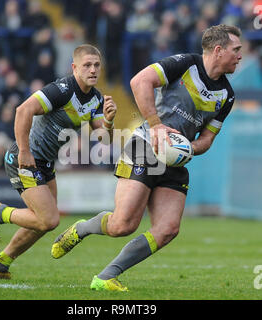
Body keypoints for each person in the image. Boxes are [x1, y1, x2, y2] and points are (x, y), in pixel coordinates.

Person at [51, 24, 242, 291]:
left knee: (168, 229)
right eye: (236, 50)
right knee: (123, 225)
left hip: (176, 161)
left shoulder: (227, 95)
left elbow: (207, 140)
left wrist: (187, 148)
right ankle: (81, 229)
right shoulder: (185, 64)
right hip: (144, 147)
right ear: (219, 50)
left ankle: (106, 277)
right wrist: (156, 125)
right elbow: (139, 81)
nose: (240, 56)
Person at [0, 44, 117, 279]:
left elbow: (102, 138)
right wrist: (24, 151)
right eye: (87, 65)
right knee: (49, 219)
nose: (93, 69)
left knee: (43, 221)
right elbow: (23, 110)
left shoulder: (95, 98)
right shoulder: (62, 90)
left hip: (45, 163)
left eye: (96, 65)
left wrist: (109, 122)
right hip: (24, 159)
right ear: (74, 67)